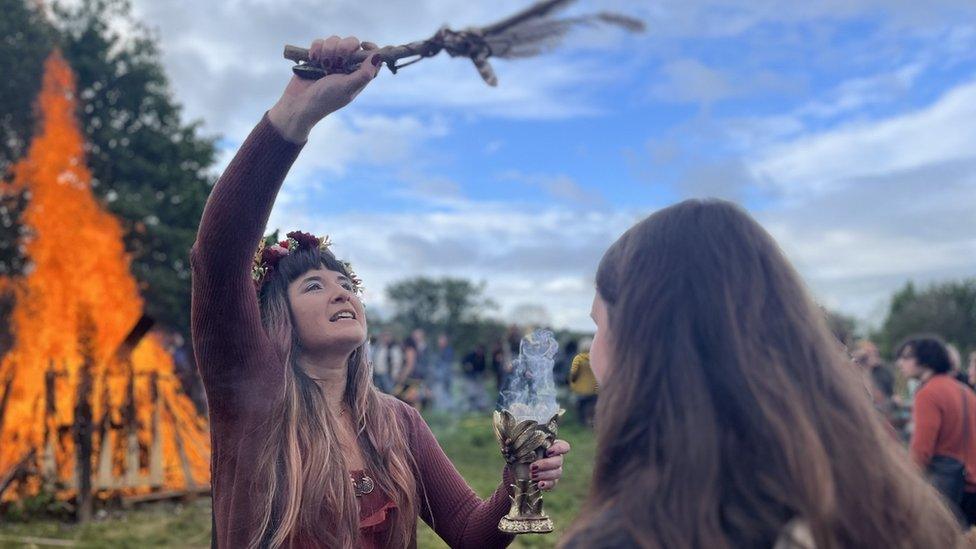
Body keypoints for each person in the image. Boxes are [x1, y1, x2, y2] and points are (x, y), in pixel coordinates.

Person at [191, 36, 569, 548]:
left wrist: (515, 485)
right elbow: (218, 256)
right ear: (278, 314)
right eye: (315, 285)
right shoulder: (253, 392)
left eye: (347, 283)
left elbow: (469, 534)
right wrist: (294, 116)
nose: (342, 292)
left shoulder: (397, 421)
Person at [560, 199, 963, 548]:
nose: (593, 350)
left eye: (599, 325)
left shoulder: (639, 536)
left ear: (642, 342)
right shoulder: (891, 509)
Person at [897, 335, 976, 525]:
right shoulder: (964, 390)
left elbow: (921, 450)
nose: (900, 363)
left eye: (907, 357)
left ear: (925, 360)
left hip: (949, 491)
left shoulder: (928, 393)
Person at [461, 344, 490, 412]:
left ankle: (481, 406)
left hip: (478, 377)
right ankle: (470, 407)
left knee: (480, 392)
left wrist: (484, 373)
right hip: (470, 377)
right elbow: (463, 361)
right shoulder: (471, 355)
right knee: (471, 392)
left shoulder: (482, 357)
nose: (480, 352)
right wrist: (467, 365)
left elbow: (483, 367)